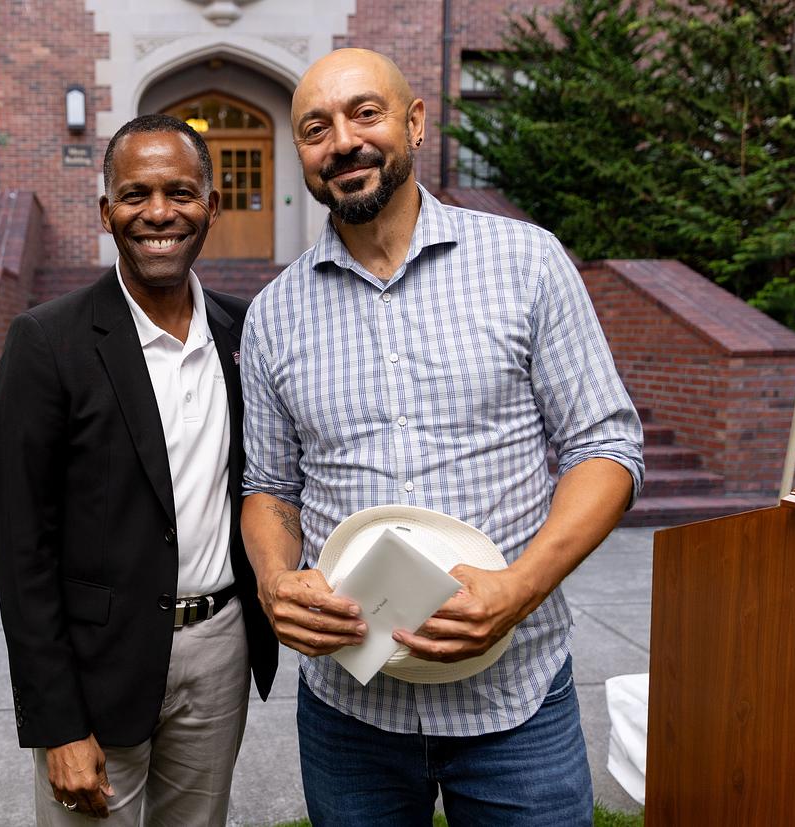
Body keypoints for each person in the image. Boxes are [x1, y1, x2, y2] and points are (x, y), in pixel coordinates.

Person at [240, 49, 644, 826]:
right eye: (316, 129)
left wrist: (518, 589)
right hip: (351, 709)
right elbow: (270, 486)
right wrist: (273, 579)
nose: (343, 142)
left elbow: (605, 448)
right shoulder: (274, 314)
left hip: (515, 699)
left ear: (416, 122)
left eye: (365, 113)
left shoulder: (526, 262)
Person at [0, 113, 277, 826]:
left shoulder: (246, 331)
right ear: (106, 211)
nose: (158, 213)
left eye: (179, 192)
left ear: (211, 205)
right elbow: (22, 551)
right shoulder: (47, 341)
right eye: (135, 194)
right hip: (96, 663)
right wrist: (56, 720)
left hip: (220, 647)